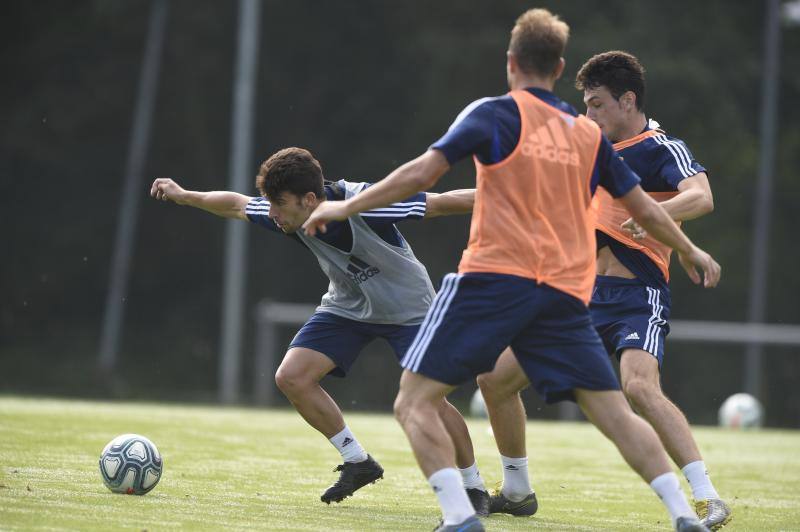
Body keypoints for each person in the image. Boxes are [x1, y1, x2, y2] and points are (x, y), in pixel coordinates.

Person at [303, 8, 720, 532]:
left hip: (494, 280)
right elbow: (643, 206)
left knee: (414, 400)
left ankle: (460, 517)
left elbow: (423, 172)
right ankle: (683, 515)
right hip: (567, 290)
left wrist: (344, 207)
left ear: (511, 62)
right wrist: (690, 249)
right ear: (559, 65)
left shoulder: (494, 114)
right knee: (611, 409)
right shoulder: (582, 132)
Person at [149, 147, 491, 513]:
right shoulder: (286, 213)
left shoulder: (365, 202)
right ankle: (358, 462)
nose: (273, 214)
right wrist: (185, 196)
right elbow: (235, 204)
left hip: (409, 308)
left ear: (310, 199)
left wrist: (516, 197)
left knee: (430, 401)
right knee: (292, 376)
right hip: (348, 306)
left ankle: (474, 487)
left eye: (279, 204)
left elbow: (439, 202)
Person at [476, 50, 732, 530]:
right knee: (494, 379)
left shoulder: (660, 147)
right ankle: (516, 489)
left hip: (638, 296)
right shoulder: (588, 151)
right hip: (577, 297)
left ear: (627, 100)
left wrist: (659, 216)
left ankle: (707, 497)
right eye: (586, 105)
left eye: (596, 104)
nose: (588, 114)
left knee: (639, 387)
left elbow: (702, 196)